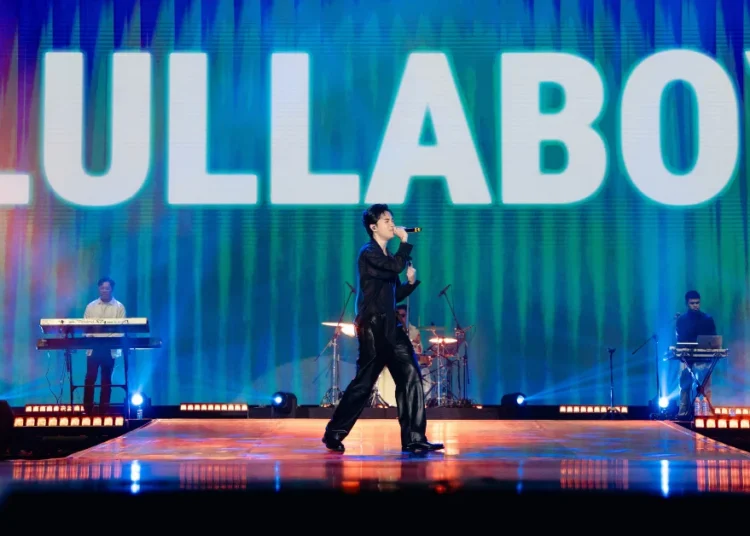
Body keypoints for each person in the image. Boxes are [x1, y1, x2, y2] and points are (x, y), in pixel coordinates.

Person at [322, 204, 444, 454]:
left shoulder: (387, 257)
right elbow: (395, 267)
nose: (392, 224)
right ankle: (334, 432)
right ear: (373, 227)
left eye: (392, 219)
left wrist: (410, 283)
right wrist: (405, 243)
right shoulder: (369, 253)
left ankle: (414, 438)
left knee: (411, 375)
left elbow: (393, 294)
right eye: (386, 220)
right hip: (373, 327)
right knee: (364, 384)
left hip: (391, 326)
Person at [82, 277, 126, 415]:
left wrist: (107, 339)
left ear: (112, 289)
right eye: (102, 288)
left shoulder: (119, 307)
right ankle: (87, 408)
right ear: (99, 289)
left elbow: (121, 329)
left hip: (110, 347)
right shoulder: (91, 306)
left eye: (107, 288)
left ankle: (103, 409)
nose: (104, 290)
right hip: (94, 346)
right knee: (90, 378)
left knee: (106, 379)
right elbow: (85, 327)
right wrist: (93, 337)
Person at [675, 290, 717, 418]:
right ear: (687, 304)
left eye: (697, 303)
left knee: (705, 387)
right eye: (692, 303)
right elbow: (680, 340)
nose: (695, 306)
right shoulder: (681, 320)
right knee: (684, 386)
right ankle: (683, 414)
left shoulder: (707, 319)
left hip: (703, 358)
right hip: (687, 358)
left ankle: (705, 414)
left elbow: (713, 339)